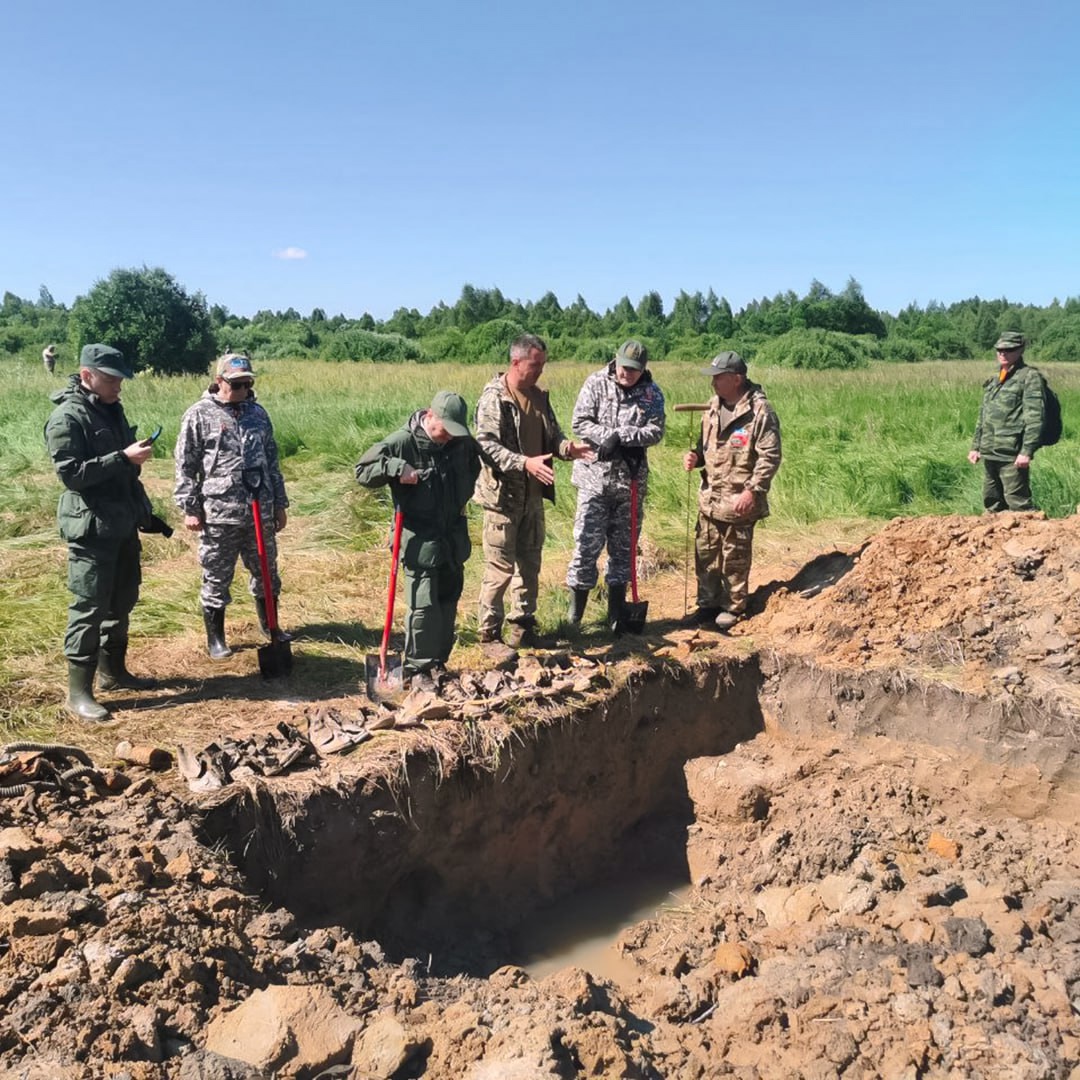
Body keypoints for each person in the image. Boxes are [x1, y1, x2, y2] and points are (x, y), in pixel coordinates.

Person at [44, 344, 158, 721]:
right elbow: (73, 475)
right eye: (111, 380)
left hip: (121, 522)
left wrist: (141, 505)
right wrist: (122, 457)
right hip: (91, 529)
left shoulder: (111, 410)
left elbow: (124, 472)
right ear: (87, 375)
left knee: (122, 600)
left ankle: (114, 673)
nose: (118, 387)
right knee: (88, 607)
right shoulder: (67, 418)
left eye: (120, 380)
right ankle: (79, 692)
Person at [473, 334, 594, 649]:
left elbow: (553, 438)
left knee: (530, 564)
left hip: (533, 498)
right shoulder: (495, 397)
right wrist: (523, 463)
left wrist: (569, 449)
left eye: (543, 364)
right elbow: (485, 445)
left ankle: (524, 627)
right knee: (500, 569)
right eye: (535, 365)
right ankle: (489, 635)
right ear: (516, 361)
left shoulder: (539, 397)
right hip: (503, 500)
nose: (540, 370)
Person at [356, 391, 482, 683]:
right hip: (419, 539)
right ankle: (418, 669)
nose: (449, 437)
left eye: (455, 431)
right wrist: (396, 468)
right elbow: (362, 471)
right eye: (444, 430)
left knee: (448, 602)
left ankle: (438, 662)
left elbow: (474, 468)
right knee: (423, 607)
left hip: (452, 537)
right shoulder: (402, 442)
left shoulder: (461, 442)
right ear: (430, 416)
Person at [174, 354, 291, 659]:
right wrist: (190, 507)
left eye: (248, 383)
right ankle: (216, 638)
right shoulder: (198, 415)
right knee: (216, 574)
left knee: (266, 571)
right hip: (219, 512)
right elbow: (185, 465)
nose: (244, 389)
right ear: (219, 381)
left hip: (260, 508)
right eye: (237, 384)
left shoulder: (258, 414)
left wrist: (279, 503)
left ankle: (271, 626)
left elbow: (272, 462)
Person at [566, 340, 666, 629]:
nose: (627, 374)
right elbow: (579, 422)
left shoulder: (651, 393)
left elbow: (656, 430)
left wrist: (622, 437)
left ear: (643, 369)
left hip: (629, 484)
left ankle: (616, 616)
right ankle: (574, 620)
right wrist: (604, 436)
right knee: (586, 547)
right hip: (593, 482)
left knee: (624, 551)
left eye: (634, 370)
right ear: (616, 361)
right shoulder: (596, 383)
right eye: (624, 368)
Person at [683, 351, 781, 631]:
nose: (713, 382)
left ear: (737, 379)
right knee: (706, 554)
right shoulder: (712, 407)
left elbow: (770, 457)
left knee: (734, 557)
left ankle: (734, 607)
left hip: (739, 500)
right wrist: (695, 458)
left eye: (719, 377)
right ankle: (707, 604)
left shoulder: (760, 411)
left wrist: (752, 491)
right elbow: (706, 448)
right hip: (711, 499)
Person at [968, 332, 1046, 512]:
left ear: (1020, 350)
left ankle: (1028, 539)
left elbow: (1035, 418)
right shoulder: (996, 380)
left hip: (1011, 454)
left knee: (1018, 504)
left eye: (1009, 349)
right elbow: (984, 415)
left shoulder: (1029, 377)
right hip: (990, 451)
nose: (1003, 353)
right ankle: (995, 539)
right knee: (991, 503)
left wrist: (1027, 451)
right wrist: (976, 446)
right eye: (999, 350)